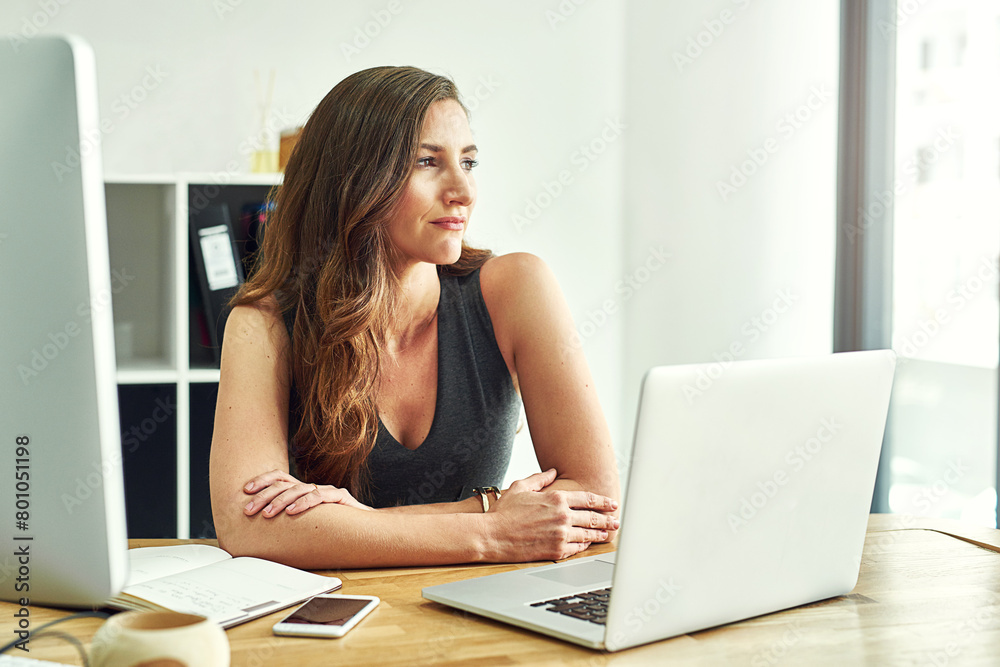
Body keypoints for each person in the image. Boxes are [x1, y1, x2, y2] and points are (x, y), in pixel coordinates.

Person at [209, 66, 620, 570]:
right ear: (353, 179)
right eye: (428, 162)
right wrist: (488, 528)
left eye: (469, 162)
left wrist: (358, 524)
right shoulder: (264, 324)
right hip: (336, 619)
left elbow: (596, 501)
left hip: (475, 612)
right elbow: (245, 524)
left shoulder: (516, 289)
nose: (463, 192)